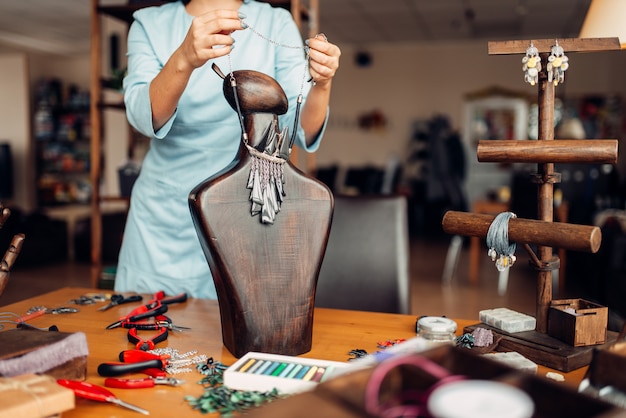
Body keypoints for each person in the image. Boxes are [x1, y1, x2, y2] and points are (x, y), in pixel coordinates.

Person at [114, 0, 341, 298]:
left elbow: (300, 130)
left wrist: (322, 84)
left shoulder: (276, 22)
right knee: (147, 329)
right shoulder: (148, 24)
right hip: (164, 224)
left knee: (240, 329)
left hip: (246, 214)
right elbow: (144, 118)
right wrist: (183, 58)